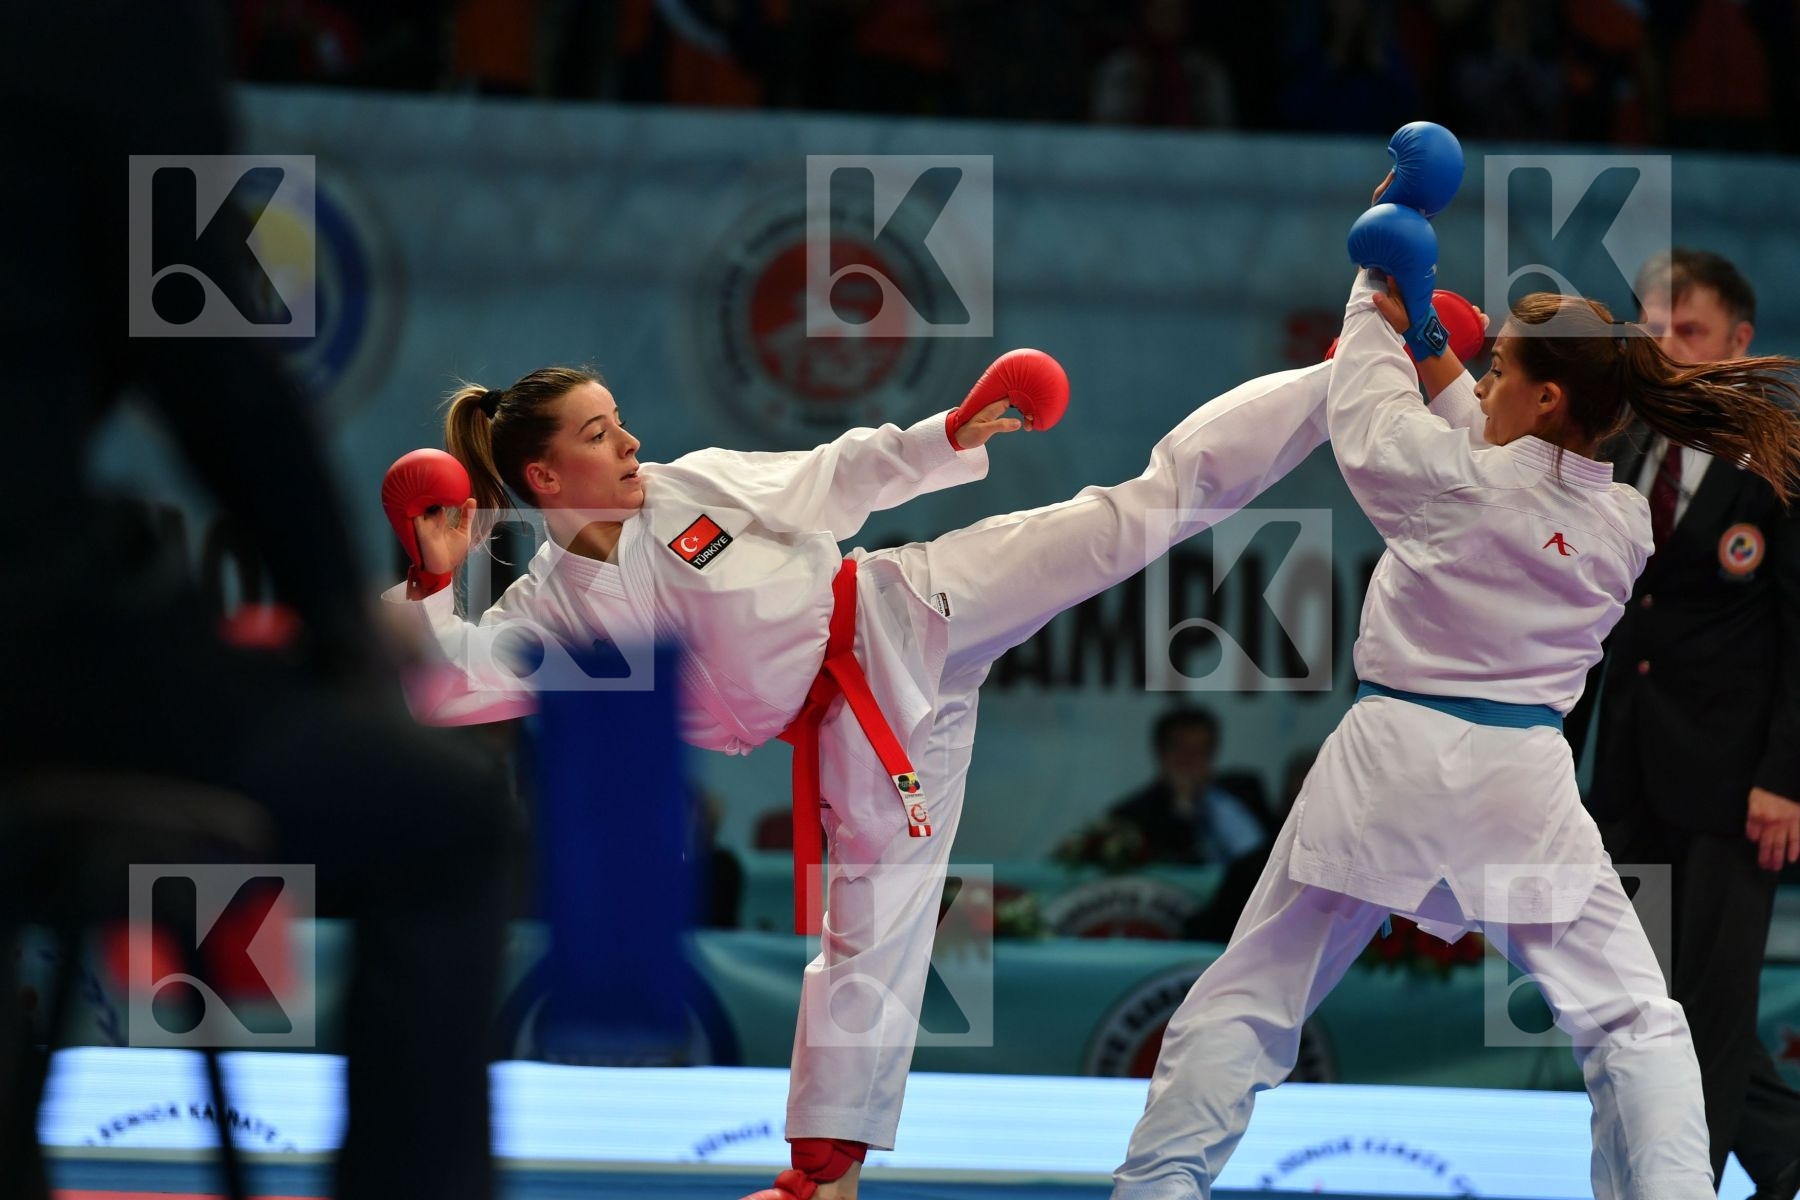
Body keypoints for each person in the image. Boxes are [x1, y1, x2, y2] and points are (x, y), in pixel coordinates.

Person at [382, 346, 1352, 1200]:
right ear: (548, 474)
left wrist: (950, 430)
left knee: (1129, 517)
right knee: (869, 937)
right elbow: (450, 683)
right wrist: (431, 586)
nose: (630, 442)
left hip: (905, 609)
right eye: (601, 434)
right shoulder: (551, 610)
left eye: (620, 420)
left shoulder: (695, 485)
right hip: (848, 728)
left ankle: (1342, 374)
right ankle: (823, 1180)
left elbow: (835, 476)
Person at [1113, 199, 1800, 1196]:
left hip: (1390, 766)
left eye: (1501, 369)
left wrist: (1378, 284)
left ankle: (1159, 1185)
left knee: (1254, 998)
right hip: (1520, 783)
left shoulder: (1449, 482)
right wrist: (1433, 340)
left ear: (1549, 396)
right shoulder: (1618, 525)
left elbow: (1368, 406)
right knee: (1634, 1023)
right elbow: (1491, 458)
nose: (1481, 381)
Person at [0, 3, 516, 1197]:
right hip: (28, 644)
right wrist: (342, 621)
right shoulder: (107, 33)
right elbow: (213, 365)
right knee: (446, 821)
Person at [1566, 248, 1800, 1198]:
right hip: (1626, 768)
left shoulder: (1782, 455)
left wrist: (1787, 776)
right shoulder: (1619, 445)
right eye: (1652, 328)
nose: (1664, 347)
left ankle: (1680, 1186)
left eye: (1688, 331)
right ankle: (1785, 1154)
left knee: (1704, 1004)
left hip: (1736, 781)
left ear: (1739, 343)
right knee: (1634, 1002)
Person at [1064, 708, 1268, 869]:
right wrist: (1183, 808)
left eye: (1200, 752)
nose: (1190, 762)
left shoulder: (1245, 795)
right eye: (1181, 751)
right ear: (1160, 754)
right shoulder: (1131, 815)